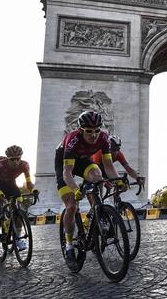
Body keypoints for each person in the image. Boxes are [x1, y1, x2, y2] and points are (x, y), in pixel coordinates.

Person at [54, 110, 119, 271]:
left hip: (83, 161)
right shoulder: (73, 139)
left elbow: (108, 166)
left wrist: (118, 181)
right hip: (65, 164)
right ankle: (69, 245)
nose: (94, 134)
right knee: (71, 206)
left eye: (97, 130)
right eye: (89, 131)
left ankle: (96, 211)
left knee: (98, 175)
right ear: (81, 129)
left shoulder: (104, 137)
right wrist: (76, 189)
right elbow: (67, 172)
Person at [0, 145, 34, 251]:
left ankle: (17, 237)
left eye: (18, 158)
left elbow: (29, 182)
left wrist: (33, 190)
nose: (16, 162)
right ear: (7, 158)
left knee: (19, 210)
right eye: (12, 159)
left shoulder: (25, 165)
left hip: (12, 185)